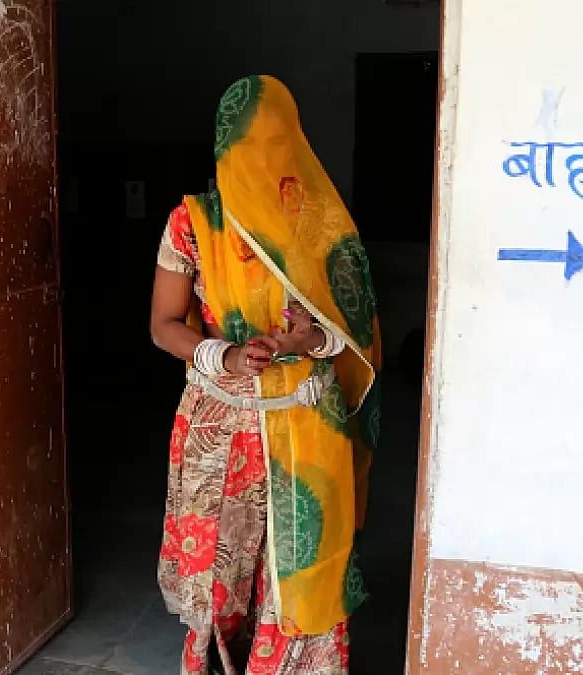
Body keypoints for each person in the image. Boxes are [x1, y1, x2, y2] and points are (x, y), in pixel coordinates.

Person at [150, 75, 382, 675]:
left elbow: (357, 331)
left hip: (307, 425)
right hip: (220, 430)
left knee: (302, 579)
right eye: (246, 143)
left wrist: (312, 337)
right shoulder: (194, 223)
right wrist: (222, 356)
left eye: (274, 139)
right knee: (219, 578)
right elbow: (164, 324)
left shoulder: (320, 222)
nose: (261, 157)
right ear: (224, 146)